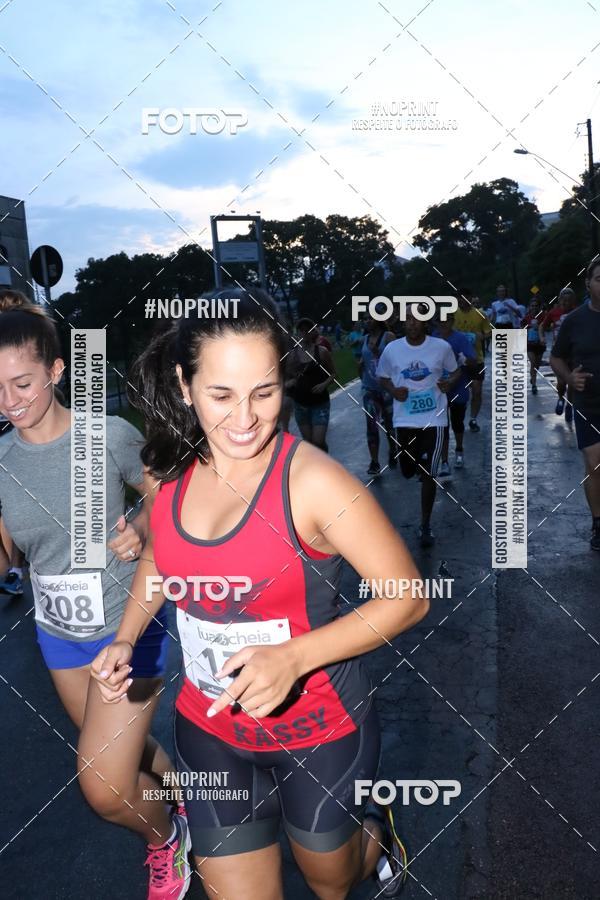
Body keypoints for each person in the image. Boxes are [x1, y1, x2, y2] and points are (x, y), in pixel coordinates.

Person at [91, 287, 430, 900]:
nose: (244, 418)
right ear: (185, 383)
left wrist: (294, 657)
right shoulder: (168, 470)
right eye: (221, 394)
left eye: (265, 393)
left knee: (332, 879)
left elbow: (407, 597)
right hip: (212, 728)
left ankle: (371, 839)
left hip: (321, 732)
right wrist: (126, 637)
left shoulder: (316, 483)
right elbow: (159, 560)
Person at [0, 307, 189, 899]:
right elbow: (6, 558)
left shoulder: (106, 435)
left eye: (22, 382)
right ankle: (187, 799)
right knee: (124, 752)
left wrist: (139, 521)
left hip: (128, 627)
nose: (9, 400)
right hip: (58, 636)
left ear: (56, 371)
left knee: (105, 787)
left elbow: (170, 495)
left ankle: (168, 841)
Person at [376, 304, 460, 547]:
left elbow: (455, 371)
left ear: (426, 322)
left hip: (435, 419)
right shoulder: (392, 349)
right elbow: (382, 376)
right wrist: (393, 389)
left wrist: (449, 383)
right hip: (404, 421)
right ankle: (416, 465)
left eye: (417, 318)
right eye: (408, 318)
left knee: (428, 475)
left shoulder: (441, 347)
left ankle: (425, 525)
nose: (412, 322)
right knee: (408, 470)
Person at [551, 260, 600, 551]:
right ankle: (598, 522)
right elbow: (556, 357)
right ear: (589, 284)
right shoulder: (574, 321)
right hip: (589, 403)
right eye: (599, 278)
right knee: (595, 465)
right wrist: (570, 377)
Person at [433, 312, 479, 474]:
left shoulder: (460, 338)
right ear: (436, 322)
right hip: (439, 390)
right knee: (442, 425)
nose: (443, 324)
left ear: (452, 322)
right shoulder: (432, 338)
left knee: (457, 422)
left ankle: (459, 451)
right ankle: (444, 462)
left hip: (458, 387)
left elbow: (473, 361)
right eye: (440, 321)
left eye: (447, 321)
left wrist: (464, 359)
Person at [287, 318, 335, 450]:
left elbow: (333, 374)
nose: (304, 332)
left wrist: (323, 385)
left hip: (320, 403)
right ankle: (322, 466)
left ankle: (325, 459)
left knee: (318, 441)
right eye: (301, 330)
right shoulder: (292, 355)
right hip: (301, 404)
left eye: (307, 329)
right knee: (310, 444)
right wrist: (290, 382)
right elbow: (286, 376)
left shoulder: (322, 352)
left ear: (313, 332)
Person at [358, 315, 396, 475]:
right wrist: (362, 375)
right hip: (370, 388)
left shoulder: (388, 337)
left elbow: (397, 360)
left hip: (388, 388)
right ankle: (374, 462)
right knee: (372, 424)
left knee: (390, 423)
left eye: (370, 318)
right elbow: (363, 360)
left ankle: (393, 450)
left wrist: (378, 354)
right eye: (365, 319)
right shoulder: (365, 338)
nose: (367, 321)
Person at [453, 289, 492, 433]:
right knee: (461, 393)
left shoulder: (480, 314)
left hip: (477, 359)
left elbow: (489, 331)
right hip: (457, 360)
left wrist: (481, 336)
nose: (462, 300)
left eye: (465, 297)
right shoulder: (452, 314)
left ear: (470, 298)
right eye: (459, 298)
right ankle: (460, 418)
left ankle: (473, 419)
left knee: (477, 390)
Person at [541, 288, 578, 419]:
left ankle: (569, 405)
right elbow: (542, 326)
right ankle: (561, 399)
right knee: (562, 382)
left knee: (572, 381)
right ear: (560, 300)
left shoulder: (577, 312)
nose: (566, 303)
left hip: (574, 352)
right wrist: (542, 337)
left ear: (573, 301)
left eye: (569, 300)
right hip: (559, 353)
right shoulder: (553, 313)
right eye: (564, 300)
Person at [522, 299, 546, 395]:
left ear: (539, 307)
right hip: (530, 344)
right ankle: (534, 385)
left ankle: (533, 377)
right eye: (532, 306)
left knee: (537, 365)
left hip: (540, 344)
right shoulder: (526, 317)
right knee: (533, 363)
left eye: (536, 306)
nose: (534, 307)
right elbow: (521, 327)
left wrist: (540, 327)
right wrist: (529, 326)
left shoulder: (543, 317)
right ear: (529, 307)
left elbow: (548, 327)